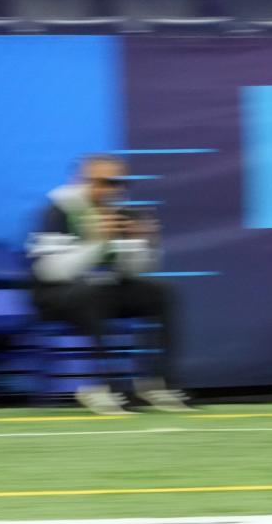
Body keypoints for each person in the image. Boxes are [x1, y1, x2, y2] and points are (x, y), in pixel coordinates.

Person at [26, 154, 191, 415]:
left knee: (161, 292)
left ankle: (157, 383)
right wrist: (97, 241)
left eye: (118, 183)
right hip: (53, 296)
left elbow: (134, 272)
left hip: (100, 291)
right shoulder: (58, 210)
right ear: (83, 181)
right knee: (94, 293)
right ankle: (102, 386)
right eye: (104, 182)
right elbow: (50, 271)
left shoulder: (121, 212)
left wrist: (145, 244)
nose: (112, 190)